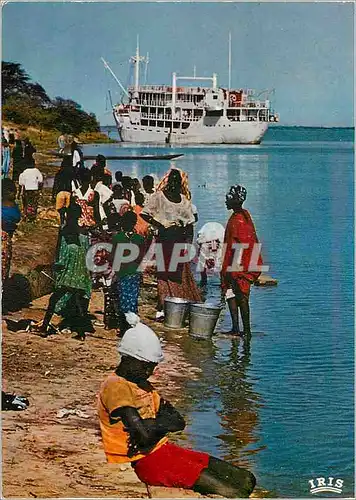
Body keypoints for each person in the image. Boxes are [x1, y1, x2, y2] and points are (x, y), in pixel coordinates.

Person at [97, 317, 256, 498]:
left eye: (152, 368)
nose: (149, 373)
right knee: (233, 492)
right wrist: (157, 425)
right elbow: (144, 437)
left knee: (246, 478)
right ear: (129, 359)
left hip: (164, 450)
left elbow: (179, 422)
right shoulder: (117, 387)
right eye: (146, 367)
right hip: (147, 461)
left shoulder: (142, 385)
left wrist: (152, 424)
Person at [141, 169, 202, 320]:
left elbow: (190, 224)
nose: (174, 184)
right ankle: (163, 306)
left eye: (177, 181)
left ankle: (177, 305)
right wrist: (160, 225)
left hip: (179, 240)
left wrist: (188, 244)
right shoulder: (159, 198)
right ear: (168, 182)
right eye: (172, 181)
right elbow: (145, 214)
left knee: (177, 274)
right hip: (165, 238)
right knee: (163, 274)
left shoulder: (183, 201)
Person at [38, 199, 93, 339]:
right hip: (81, 275)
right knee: (79, 304)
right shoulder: (84, 236)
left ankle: (44, 327)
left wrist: (45, 267)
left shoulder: (65, 234)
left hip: (68, 276)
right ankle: (81, 334)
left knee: (53, 300)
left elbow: (62, 261)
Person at [221, 185, 263, 337]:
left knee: (241, 295)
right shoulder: (242, 217)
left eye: (228, 199)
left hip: (238, 263)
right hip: (235, 261)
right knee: (231, 294)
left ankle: (246, 330)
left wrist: (235, 269)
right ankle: (237, 328)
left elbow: (242, 245)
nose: (226, 202)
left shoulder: (239, 220)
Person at [111, 211, 145, 326]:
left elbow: (114, 257)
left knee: (123, 298)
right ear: (134, 223)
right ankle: (132, 322)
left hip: (122, 272)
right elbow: (140, 258)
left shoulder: (117, 238)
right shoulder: (139, 239)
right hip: (134, 273)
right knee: (133, 298)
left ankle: (124, 323)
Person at [2, 179, 21, 283]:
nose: (15, 194)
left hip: (6, 242)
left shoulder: (10, 205)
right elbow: (16, 218)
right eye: (13, 192)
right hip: (5, 242)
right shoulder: (10, 206)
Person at [196, 222, 225, 288]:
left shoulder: (220, 248)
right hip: (205, 237)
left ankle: (222, 281)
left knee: (220, 263)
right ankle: (204, 280)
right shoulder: (203, 248)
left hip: (219, 236)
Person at [52, 156, 76, 225]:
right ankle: (67, 224)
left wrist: (53, 195)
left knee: (60, 211)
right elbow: (75, 183)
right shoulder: (72, 173)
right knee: (68, 211)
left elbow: (55, 185)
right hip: (68, 192)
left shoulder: (59, 173)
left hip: (60, 193)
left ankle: (62, 224)